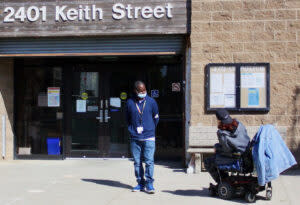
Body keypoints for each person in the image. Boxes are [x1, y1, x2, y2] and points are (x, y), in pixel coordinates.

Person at [126, 81, 159, 193]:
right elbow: (127, 119)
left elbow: (156, 117)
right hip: (135, 137)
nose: (143, 92)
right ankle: (140, 183)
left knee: (149, 161)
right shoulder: (130, 102)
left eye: (144, 90)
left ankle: (149, 184)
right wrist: (132, 130)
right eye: (141, 91)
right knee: (137, 162)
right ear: (136, 91)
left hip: (149, 136)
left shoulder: (151, 102)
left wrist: (150, 128)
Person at [205, 109, 250, 183]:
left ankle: (223, 182)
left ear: (219, 120)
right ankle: (226, 181)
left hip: (238, 159)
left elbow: (227, 151)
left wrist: (217, 148)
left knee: (208, 161)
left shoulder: (222, 134)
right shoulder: (239, 124)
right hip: (247, 156)